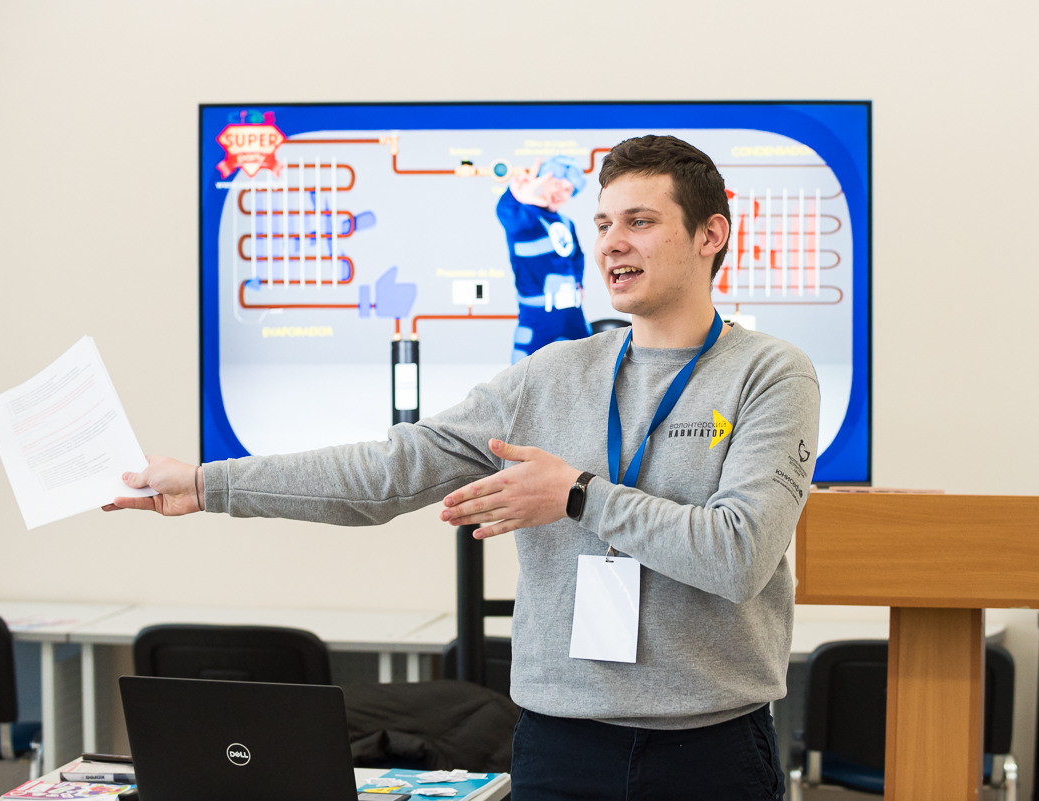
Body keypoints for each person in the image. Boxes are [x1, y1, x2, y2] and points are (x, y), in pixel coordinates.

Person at [106, 135, 819, 801]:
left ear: (710, 234)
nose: (611, 243)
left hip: (711, 749)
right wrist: (206, 484)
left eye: (640, 221)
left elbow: (739, 554)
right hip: (559, 746)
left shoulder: (770, 374)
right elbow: (389, 472)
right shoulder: (550, 375)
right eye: (603, 223)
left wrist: (577, 495)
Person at [496, 154, 591, 363]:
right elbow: (507, 214)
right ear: (544, 181)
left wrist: (579, 282)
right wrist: (514, 196)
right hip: (538, 317)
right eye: (556, 183)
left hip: (572, 315)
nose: (560, 192)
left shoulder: (566, 223)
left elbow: (577, 256)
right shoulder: (525, 218)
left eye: (567, 189)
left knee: (589, 368)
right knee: (524, 374)